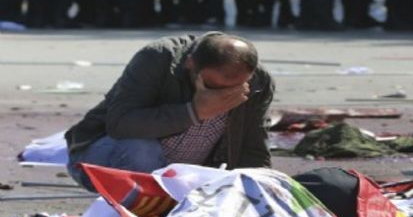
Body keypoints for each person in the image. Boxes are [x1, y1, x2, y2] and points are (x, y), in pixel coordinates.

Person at [65, 33, 275, 191]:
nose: (224, 96)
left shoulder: (258, 82)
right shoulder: (159, 59)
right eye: (213, 87)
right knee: (141, 149)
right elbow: (120, 123)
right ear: (190, 64)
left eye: (234, 89)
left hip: (179, 177)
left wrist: (260, 190)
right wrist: (195, 111)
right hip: (101, 158)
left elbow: (253, 148)